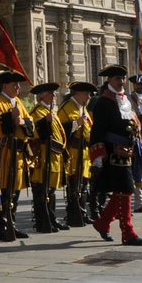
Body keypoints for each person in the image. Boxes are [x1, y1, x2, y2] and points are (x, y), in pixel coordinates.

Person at [88, 64, 142, 246]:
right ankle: (128, 233)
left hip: (129, 151)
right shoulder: (104, 102)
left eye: (122, 78)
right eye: (117, 79)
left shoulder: (126, 100)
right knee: (125, 190)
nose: (121, 82)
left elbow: (133, 123)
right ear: (109, 81)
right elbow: (97, 132)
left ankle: (102, 222)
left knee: (123, 191)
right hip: (113, 152)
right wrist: (98, 158)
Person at [0, 71, 31, 241]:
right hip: (6, 153)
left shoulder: (18, 102)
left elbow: (29, 122)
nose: (18, 87)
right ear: (5, 86)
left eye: (18, 84)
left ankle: (12, 224)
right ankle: (2, 226)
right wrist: (10, 118)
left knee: (15, 191)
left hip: (19, 153)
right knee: (5, 190)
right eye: (14, 84)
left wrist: (22, 122)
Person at [28, 83, 67, 233]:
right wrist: (46, 122)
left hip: (54, 156)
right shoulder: (38, 112)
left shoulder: (50, 111)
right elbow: (35, 133)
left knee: (50, 190)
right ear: (43, 95)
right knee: (41, 191)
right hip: (43, 157)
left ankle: (52, 218)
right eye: (51, 93)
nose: (54, 95)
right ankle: (42, 221)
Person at [59, 81, 95, 225]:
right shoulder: (67, 108)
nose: (89, 96)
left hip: (84, 152)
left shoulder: (83, 108)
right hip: (73, 151)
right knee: (74, 183)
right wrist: (76, 124)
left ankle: (82, 211)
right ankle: (74, 213)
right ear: (77, 93)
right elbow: (60, 130)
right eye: (86, 93)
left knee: (84, 184)